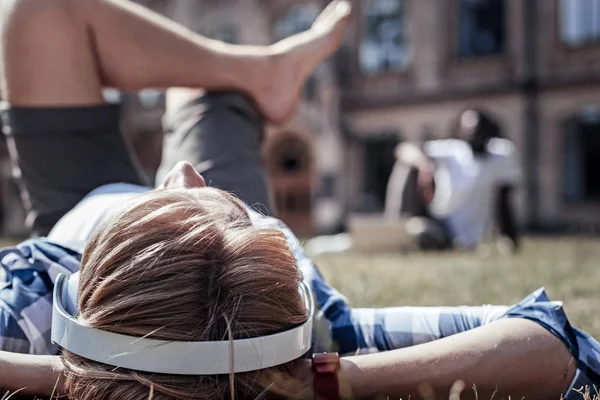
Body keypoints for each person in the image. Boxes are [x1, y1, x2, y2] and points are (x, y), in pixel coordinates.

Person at [0, 0, 597, 399]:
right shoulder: (299, 328)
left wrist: (72, 374)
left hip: (73, 216)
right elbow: (559, 346)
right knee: (197, 82)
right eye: (230, 205)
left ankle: (257, 72)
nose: (185, 172)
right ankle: (260, 73)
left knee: (34, 9)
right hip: (156, 290)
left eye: (180, 201)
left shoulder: (25, 312)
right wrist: (325, 380)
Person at [386, 110, 521, 252]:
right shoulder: (453, 150)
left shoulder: (502, 153)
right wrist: (423, 164)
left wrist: (510, 236)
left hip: (465, 237)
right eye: (469, 130)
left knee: (421, 234)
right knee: (405, 167)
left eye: (479, 130)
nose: (475, 135)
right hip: (441, 223)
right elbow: (404, 149)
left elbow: (504, 200)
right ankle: (392, 226)